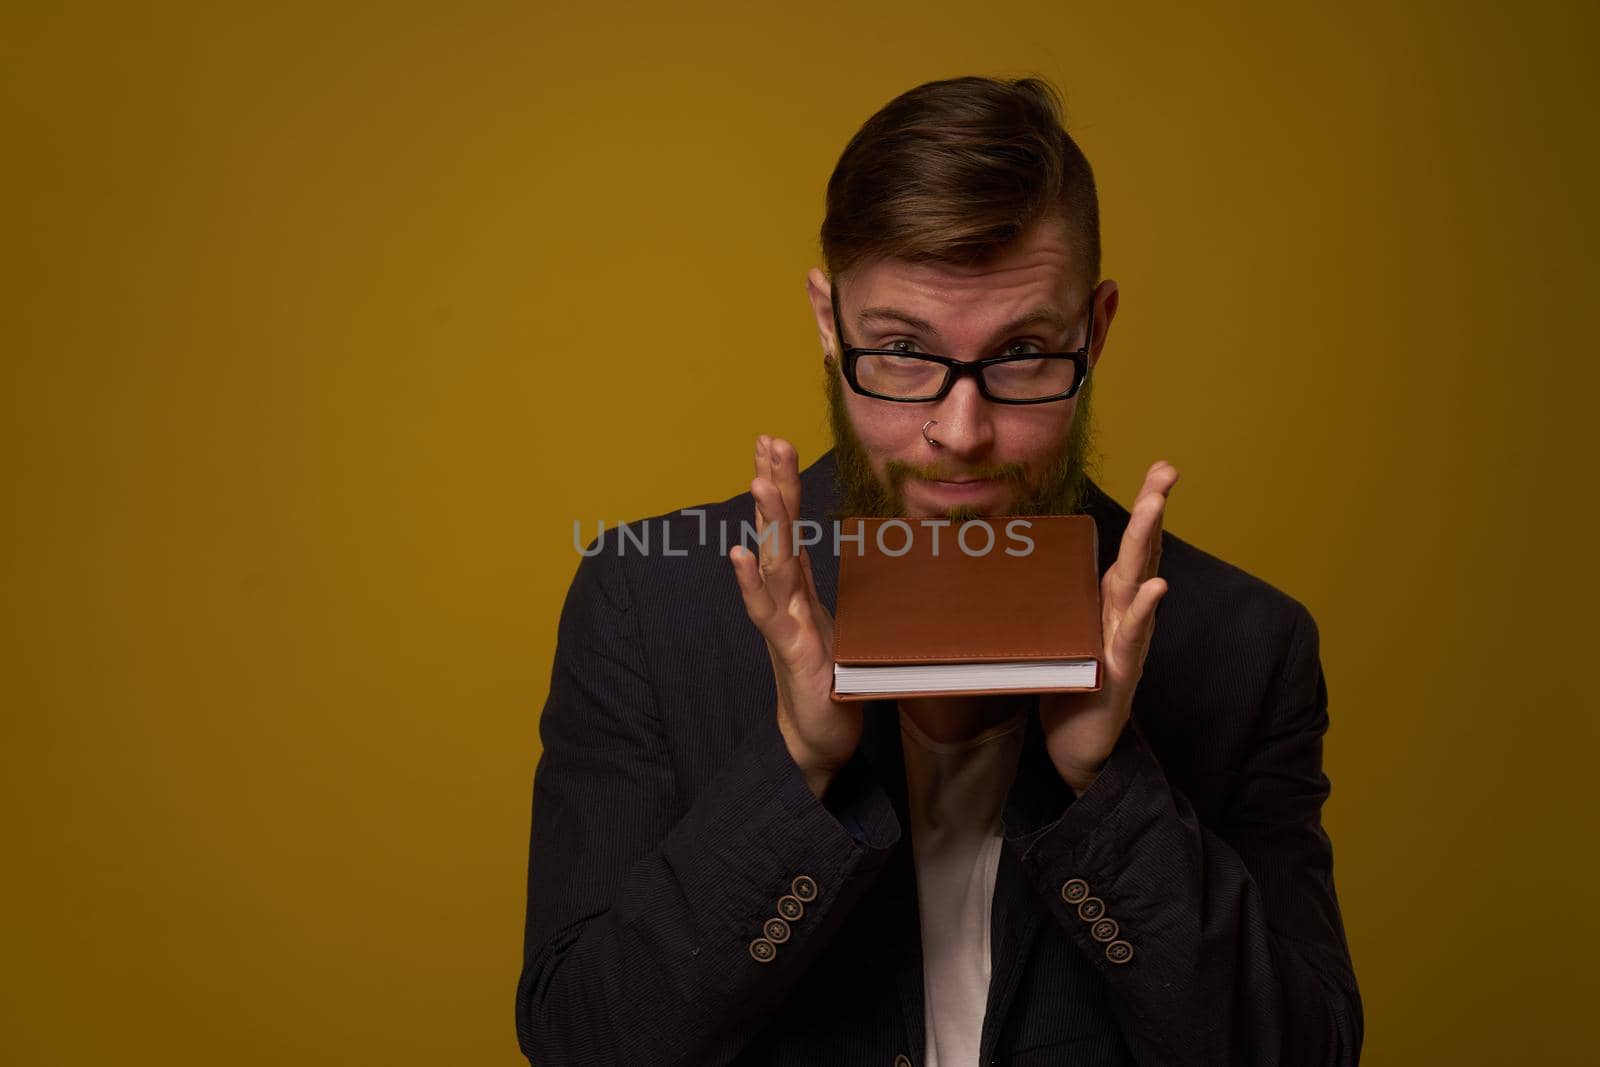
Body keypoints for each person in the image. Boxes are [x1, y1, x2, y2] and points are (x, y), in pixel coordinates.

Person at [516, 76, 1361, 1066]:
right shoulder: (647, 606)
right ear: (829, 326)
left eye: (1023, 353)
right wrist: (793, 765)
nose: (959, 433)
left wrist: (1106, 786)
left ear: (1096, 330)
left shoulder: (1243, 645)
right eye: (903, 351)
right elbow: (582, 1041)